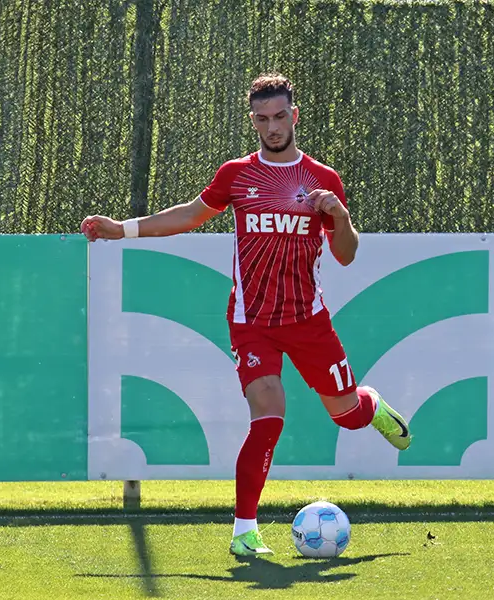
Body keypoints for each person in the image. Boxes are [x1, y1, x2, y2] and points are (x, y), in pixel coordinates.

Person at [80, 73, 412, 557]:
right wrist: (120, 229)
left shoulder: (323, 180)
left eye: (280, 116)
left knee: (347, 417)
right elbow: (190, 215)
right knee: (268, 417)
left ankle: (371, 405)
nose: (272, 126)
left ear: (294, 116)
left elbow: (347, 255)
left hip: (308, 321)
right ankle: (244, 531)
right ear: (253, 121)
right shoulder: (237, 174)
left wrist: (339, 216)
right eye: (263, 119)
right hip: (251, 320)